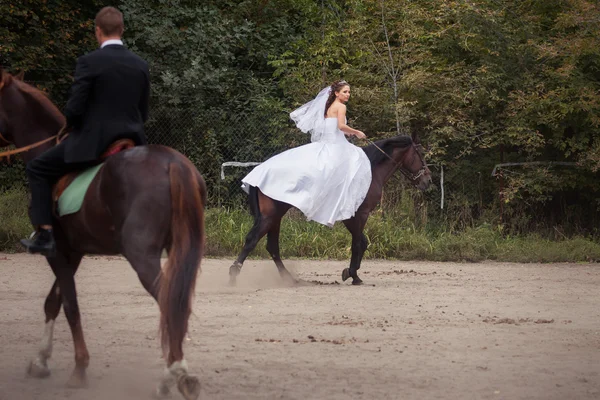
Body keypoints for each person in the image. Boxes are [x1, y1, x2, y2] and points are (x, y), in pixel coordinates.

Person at [20, 6, 150, 256]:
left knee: (36, 168)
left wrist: (74, 125)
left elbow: (74, 109)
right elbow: (143, 112)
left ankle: (45, 232)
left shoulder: (89, 62)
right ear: (122, 30)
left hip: (95, 144)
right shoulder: (140, 65)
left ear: (97, 32)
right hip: (133, 143)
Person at [241, 80, 372, 227]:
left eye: (349, 92)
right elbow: (341, 126)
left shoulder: (328, 106)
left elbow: (331, 127)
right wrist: (356, 132)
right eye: (345, 92)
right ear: (336, 93)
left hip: (329, 142)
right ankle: (333, 205)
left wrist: (346, 134)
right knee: (355, 163)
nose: (348, 94)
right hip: (335, 146)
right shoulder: (341, 106)